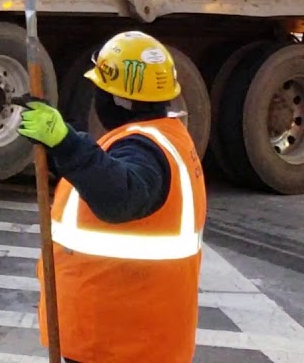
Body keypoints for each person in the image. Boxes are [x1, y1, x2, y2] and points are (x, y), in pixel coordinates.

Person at [17, 31, 207, 363]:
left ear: (119, 99)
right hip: (128, 338)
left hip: (120, 345)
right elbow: (107, 174)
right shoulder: (165, 139)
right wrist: (62, 144)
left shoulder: (146, 150)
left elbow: (119, 197)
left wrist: (65, 143)